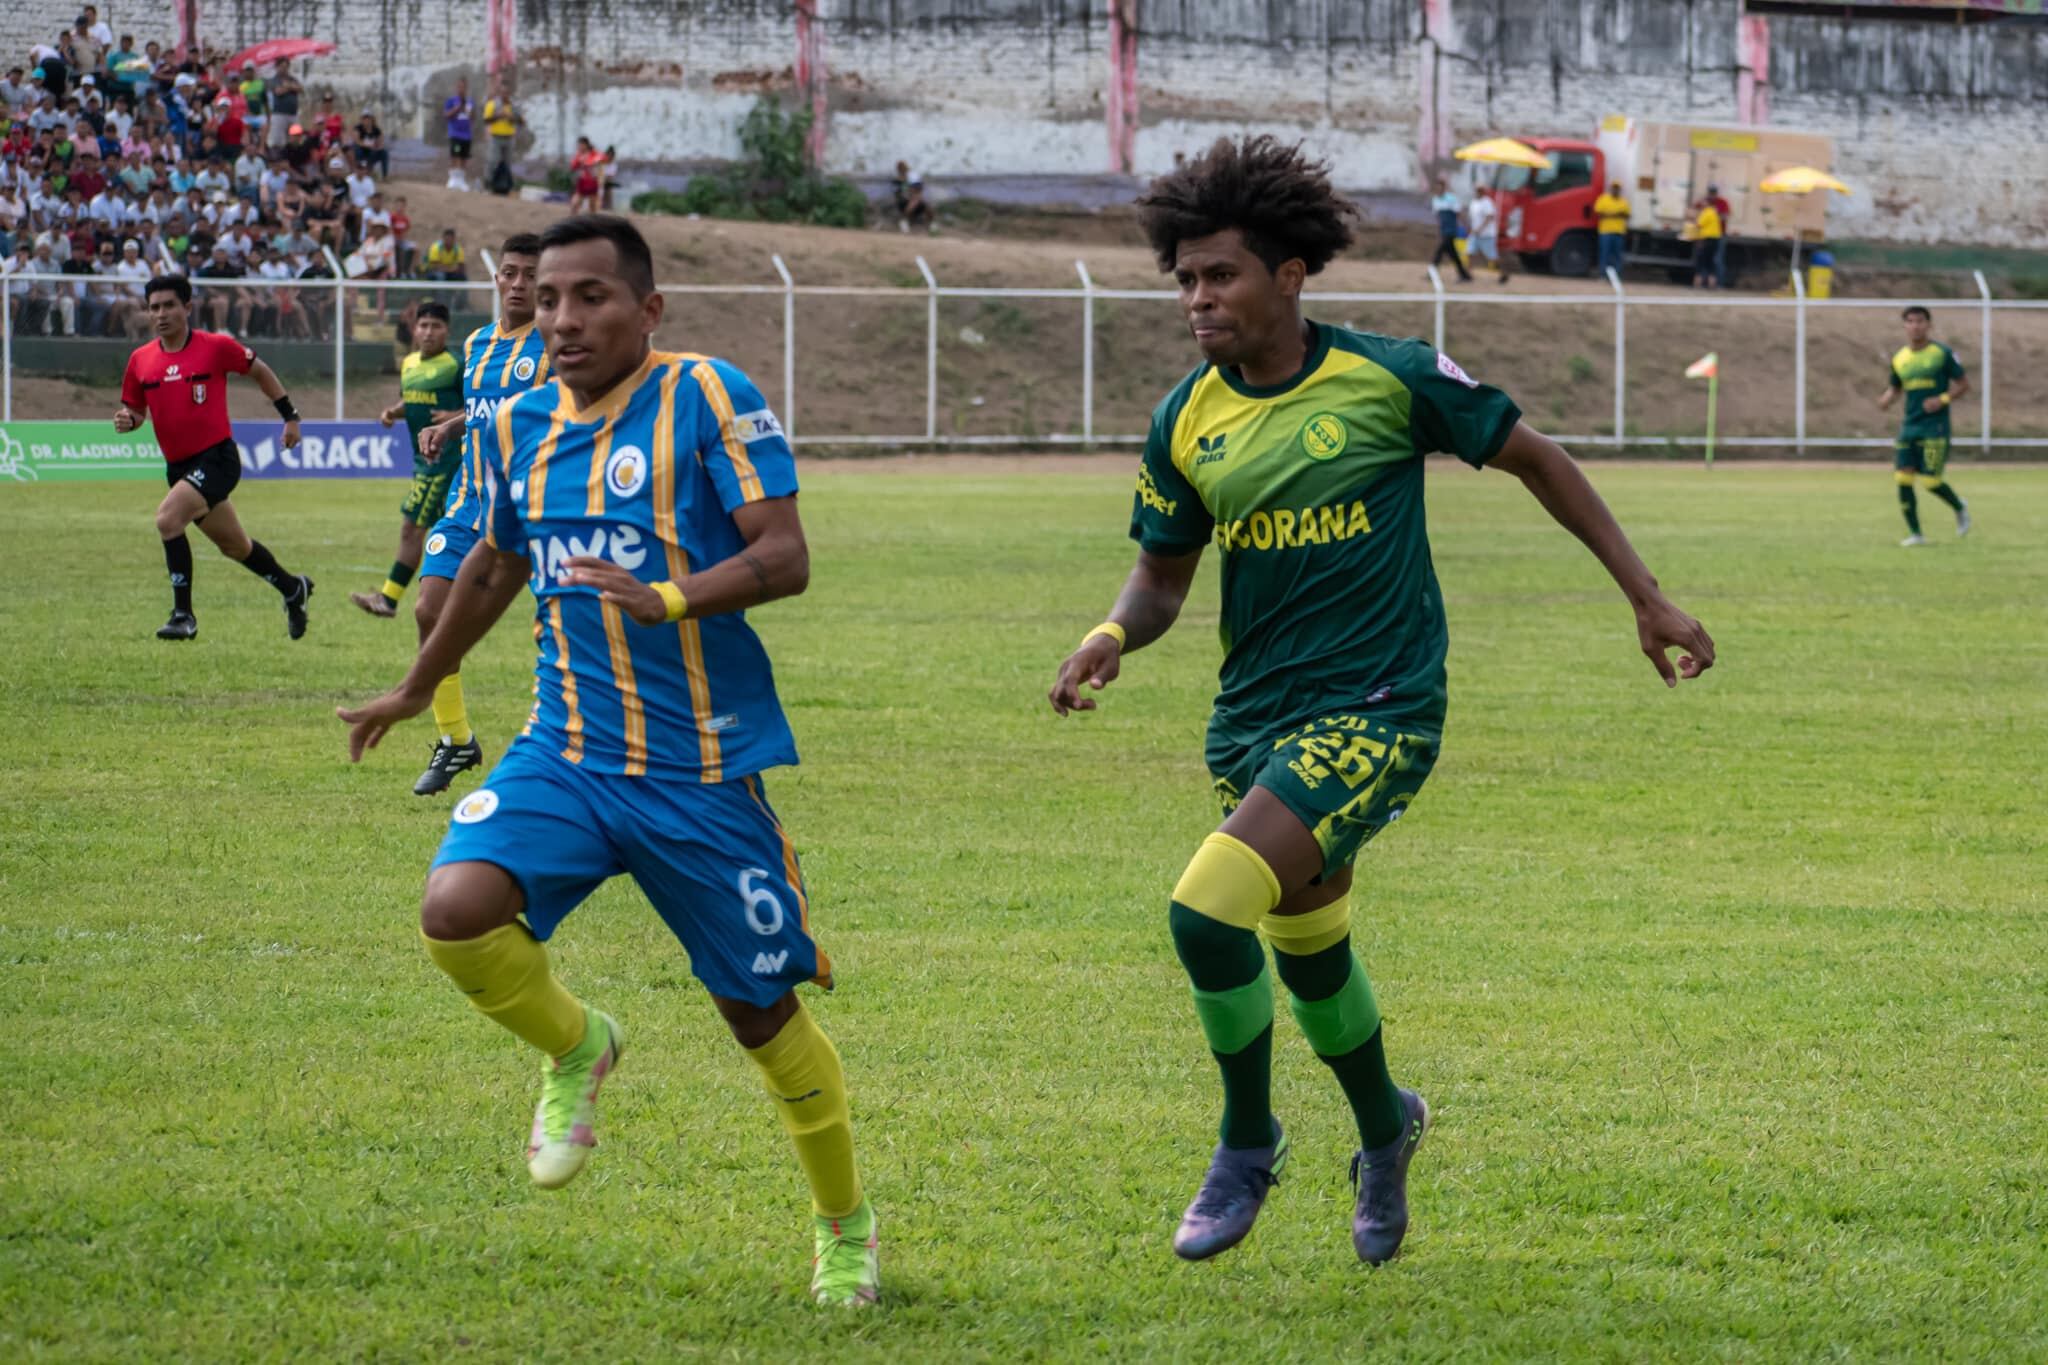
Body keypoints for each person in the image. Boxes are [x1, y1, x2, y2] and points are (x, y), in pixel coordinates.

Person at [1046, 136, 1713, 1269]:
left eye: (1219, 276)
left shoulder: (1388, 378)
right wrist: (1112, 632)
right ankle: (1382, 1128)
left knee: (1203, 912)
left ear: (1289, 276)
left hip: (1378, 706)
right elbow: (1162, 577)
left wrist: (1644, 598)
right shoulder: (1184, 421)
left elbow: (1536, 459)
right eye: (1185, 279)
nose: (1196, 299)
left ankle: (1245, 1141)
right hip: (1251, 716)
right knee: (1306, 946)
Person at [336, 214, 881, 1308]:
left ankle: (844, 1228)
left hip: (698, 771)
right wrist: (414, 683)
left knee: (760, 1020)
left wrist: (669, 595)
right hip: (568, 752)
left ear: (648, 310)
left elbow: (785, 556)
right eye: (547, 300)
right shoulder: (518, 420)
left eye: (590, 298)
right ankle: (578, 1046)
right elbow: (494, 563)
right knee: (457, 909)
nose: (564, 319)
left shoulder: (707, 396)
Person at [401, 233, 552, 796]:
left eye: (529, 275)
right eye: (509, 273)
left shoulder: (557, 346)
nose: (517, 284)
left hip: (536, 513)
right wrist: (451, 424)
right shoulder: (481, 343)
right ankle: (456, 740)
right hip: (469, 506)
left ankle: (574, 749)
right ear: (497, 279)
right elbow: (489, 410)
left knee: (562, 633)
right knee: (428, 611)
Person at [114, 273, 313, 641]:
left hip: (217, 459)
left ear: (187, 307)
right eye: (154, 307)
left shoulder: (215, 347)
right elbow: (136, 410)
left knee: (167, 519)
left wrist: (290, 417)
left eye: (169, 305)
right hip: (180, 469)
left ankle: (182, 615)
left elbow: (259, 369)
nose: (161, 314)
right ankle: (292, 588)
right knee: (235, 546)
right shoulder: (140, 360)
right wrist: (129, 420)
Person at [350, 300, 465, 618]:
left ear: (447, 331)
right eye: (423, 326)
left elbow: (479, 405)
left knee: (412, 527)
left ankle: (389, 599)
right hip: (423, 460)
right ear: (414, 330)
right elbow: (411, 398)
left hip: (446, 461)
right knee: (455, 531)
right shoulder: (411, 363)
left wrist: (451, 417)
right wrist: (393, 411)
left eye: (436, 326)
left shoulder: (457, 365)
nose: (428, 333)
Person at [1877, 305, 1971, 546]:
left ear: (1929, 325)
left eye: (1919, 321)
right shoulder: (1900, 358)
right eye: (1910, 321)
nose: (1915, 326)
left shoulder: (1941, 353)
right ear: (1904, 326)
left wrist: (1942, 400)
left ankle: (1959, 507)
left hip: (1935, 428)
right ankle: (1916, 534)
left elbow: (1962, 384)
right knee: (1903, 479)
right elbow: (1896, 387)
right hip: (1910, 426)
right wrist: (1887, 399)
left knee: (1930, 481)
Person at [1428, 175, 1471, 283]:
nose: (1438, 189)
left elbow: (1459, 213)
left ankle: (1432, 272)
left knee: (1440, 250)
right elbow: (1438, 217)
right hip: (1444, 230)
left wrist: (1466, 226)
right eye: (1436, 187)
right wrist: (1439, 230)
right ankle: (1465, 275)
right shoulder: (1435, 200)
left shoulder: (1451, 198)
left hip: (1451, 230)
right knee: (1453, 254)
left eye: (1439, 187)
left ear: (1443, 188)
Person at [481, 79, 519, 192]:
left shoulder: (513, 106)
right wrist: (498, 115)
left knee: (507, 163)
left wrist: (512, 118)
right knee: (493, 161)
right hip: (496, 137)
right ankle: (487, 184)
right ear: (499, 93)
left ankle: (504, 186)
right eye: (502, 92)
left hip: (509, 137)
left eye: (506, 92)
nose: (504, 95)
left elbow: (521, 120)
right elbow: (486, 120)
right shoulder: (492, 104)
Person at [1464, 188, 1506, 284]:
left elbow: (1489, 217)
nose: (1476, 192)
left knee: (1492, 256)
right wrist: (1471, 228)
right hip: (1474, 233)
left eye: (1478, 191)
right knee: (1469, 253)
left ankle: (1503, 273)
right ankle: (1468, 274)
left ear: (1482, 192)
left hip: (1486, 235)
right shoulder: (1473, 202)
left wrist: (1480, 229)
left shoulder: (1487, 202)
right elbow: (1472, 217)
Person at [1593, 180, 1629, 278]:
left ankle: (1616, 275)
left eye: (1617, 188)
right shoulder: (1603, 199)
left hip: (1619, 232)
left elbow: (1626, 215)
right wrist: (1616, 214)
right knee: (1604, 253)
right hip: (1605, 231)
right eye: (1614, 187)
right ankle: (1602, 274)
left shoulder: (1623, 201)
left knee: (1617, 255)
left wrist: (1609, 214)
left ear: (1620, 190)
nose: (1615, 190)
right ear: (1611, 188)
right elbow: (1598, 213)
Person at [443, 78, 474, 191]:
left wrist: (469, 114)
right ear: (456, 88)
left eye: (464, 87)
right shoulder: (451, 101)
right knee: (455, 155)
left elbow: (472, 117)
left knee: (464, 157)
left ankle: (461, 180)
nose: (461, 89)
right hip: (455, 134)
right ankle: (453, 179)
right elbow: (446, 115)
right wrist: (456, 109)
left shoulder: (470, 101)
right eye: (459, 87)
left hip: (467, 135)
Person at [889, 161, 932, 234]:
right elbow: (897, 194)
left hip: (915, 200)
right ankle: (904, 221)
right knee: (914, 202)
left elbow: (917, 191)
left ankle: (931, 224)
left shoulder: (912, 177)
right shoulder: (898, 180)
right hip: (904, 201)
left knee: (924, 205)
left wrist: (915, 196)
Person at [1690, 193, 1721, 290]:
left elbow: (1698, 224)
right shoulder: (1714, 212)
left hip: (1707, 240)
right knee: (1710, 262)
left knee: (1700, 261)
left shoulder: (1707, 212)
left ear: (1707, 203)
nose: (1702, 203)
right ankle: (1712, 284)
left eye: (1704, 201)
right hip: (1715, 240)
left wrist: (1692, 217)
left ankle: (1697, 284)